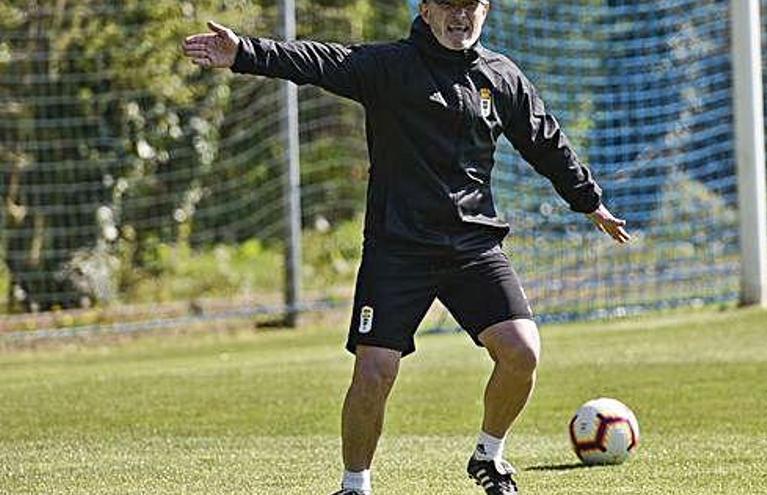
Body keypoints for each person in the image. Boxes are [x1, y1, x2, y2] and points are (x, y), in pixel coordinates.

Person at [183, 1, 630, 493]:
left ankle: (489, 456)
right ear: (426, 8)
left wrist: (589, 202)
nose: (460, 16)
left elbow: (545, 141)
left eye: (471, 6)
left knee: (522, 351)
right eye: (448, 5)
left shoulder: (501, 77)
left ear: (485, 10)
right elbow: (317, 61)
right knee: (374, 372)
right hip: (398, 249)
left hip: (472, 246)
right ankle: (355, 485)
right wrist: (244, 51)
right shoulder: (389, 67)